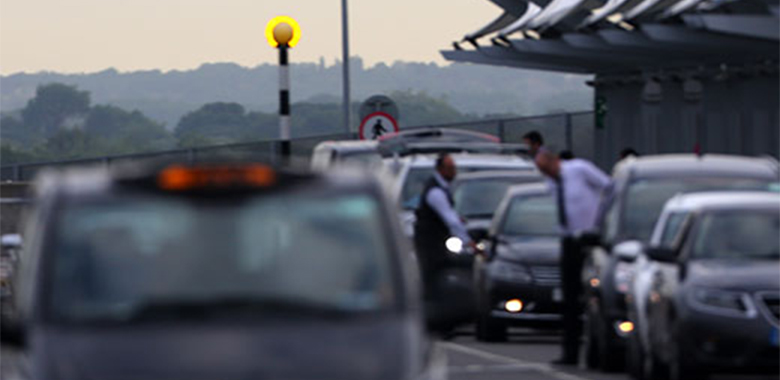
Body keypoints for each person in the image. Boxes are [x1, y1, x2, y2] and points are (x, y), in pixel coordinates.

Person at [535, 147, 612, 366]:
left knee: (593, 294)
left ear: (554, 161)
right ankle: (570, 352)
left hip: (590, 239)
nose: (546, 174)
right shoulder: (552, 182)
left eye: (546, 169)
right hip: (569, 240)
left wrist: (600, 219)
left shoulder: (579, 169)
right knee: (570, 299)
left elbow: (608, 187)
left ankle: (597, 351)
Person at [413, 154, 477, 284]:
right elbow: (450, 219)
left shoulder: (442, 188)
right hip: (431, 243)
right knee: (433, 275)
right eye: (451, 168)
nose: (454, 171)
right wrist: (468, 242)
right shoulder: (435, 191)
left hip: (434, 242)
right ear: (441, 170)